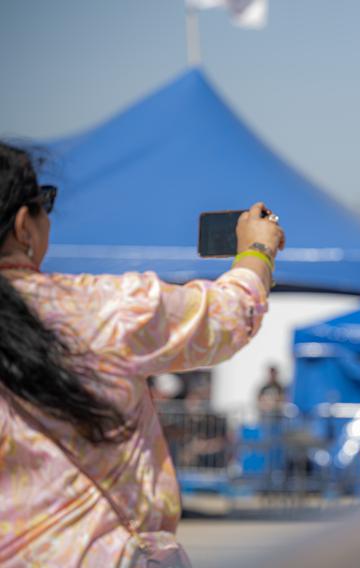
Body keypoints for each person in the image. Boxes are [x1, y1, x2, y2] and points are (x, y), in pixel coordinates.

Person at [0, 141, 284, 566]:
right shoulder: (98, 310)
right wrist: (256, 252)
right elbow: (227, 315)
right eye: (46, 203)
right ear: (25, 226)